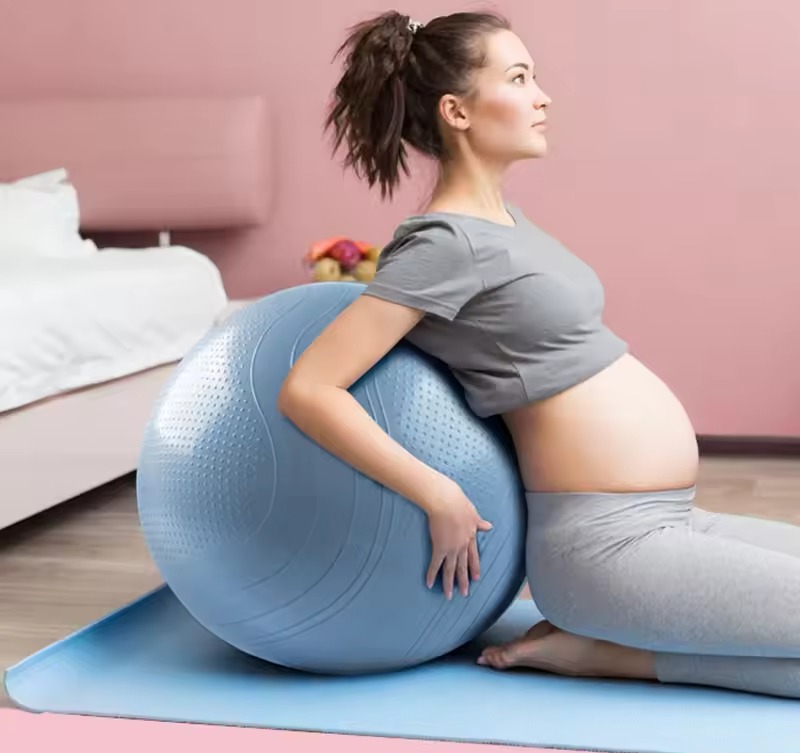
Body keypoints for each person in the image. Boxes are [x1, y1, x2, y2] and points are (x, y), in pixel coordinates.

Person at [278, 9, 800, 698]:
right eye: (519, 77)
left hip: (672, 522)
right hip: (608, 551)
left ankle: (607, 658)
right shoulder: (442, 245)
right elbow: (309, 388)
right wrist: (438, 494)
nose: (542, 95)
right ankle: (605, 649)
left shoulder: (507, 224)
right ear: (457, 111)